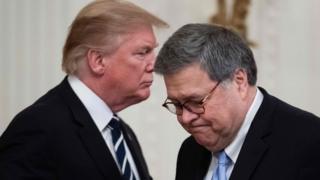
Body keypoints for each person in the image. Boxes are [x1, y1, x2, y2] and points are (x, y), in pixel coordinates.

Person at [0, 0, 167, 179]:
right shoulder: (38, 127)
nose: (154, 65)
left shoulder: (121, 131)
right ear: (98, 61)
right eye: (142, 53)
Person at [154, 23, 320, 180]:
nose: (185, 118)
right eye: (177, 105)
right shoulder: (191, 151)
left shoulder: (309, 142)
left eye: (196, 102)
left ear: (239, 82)